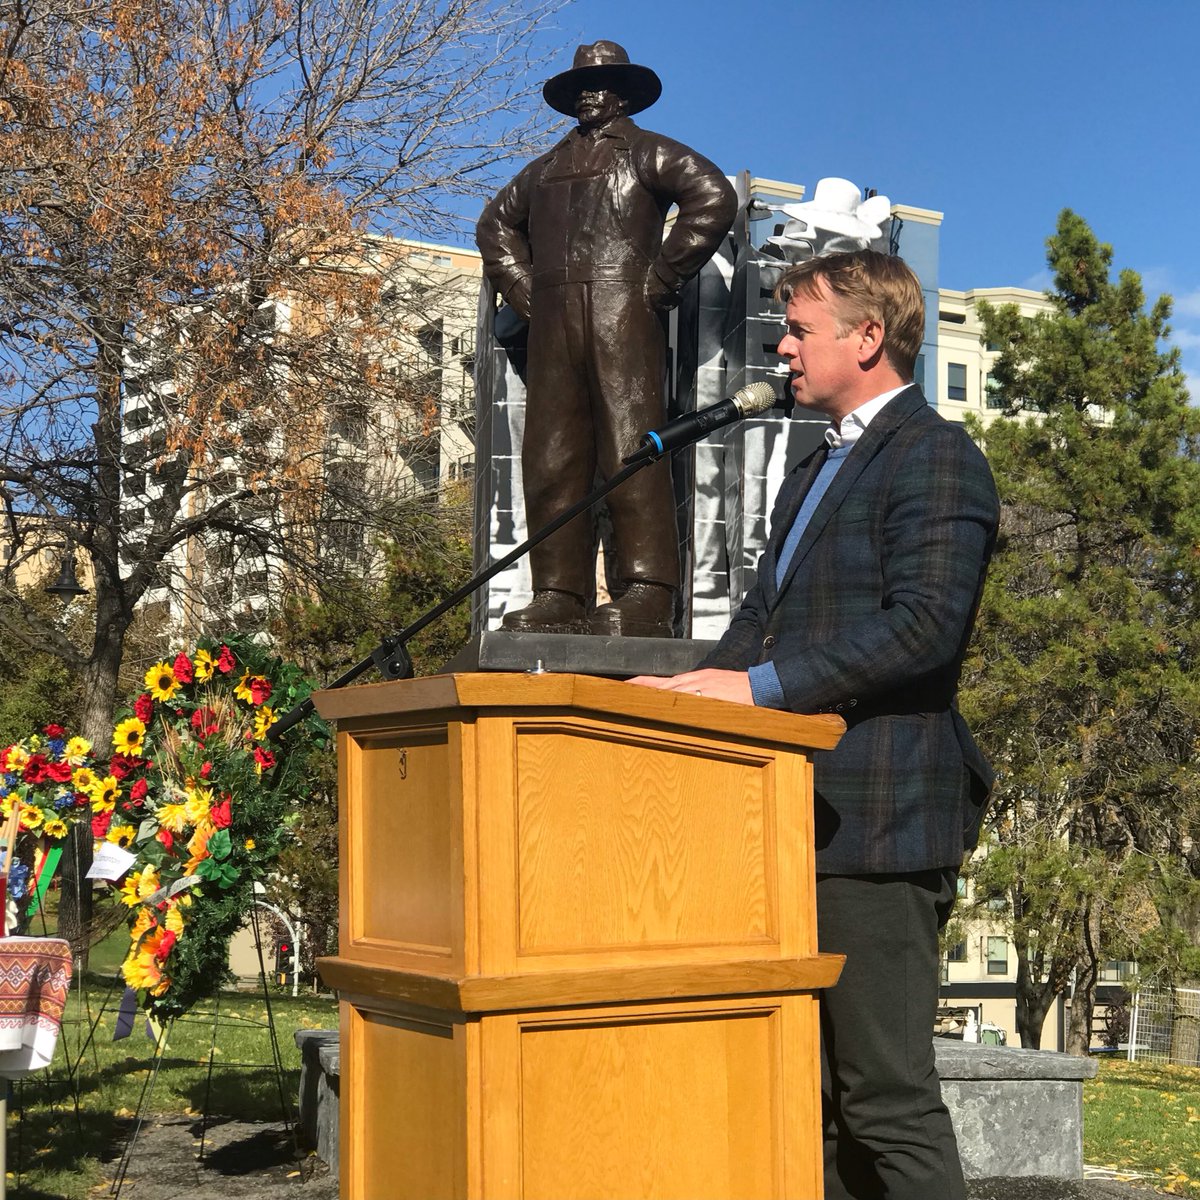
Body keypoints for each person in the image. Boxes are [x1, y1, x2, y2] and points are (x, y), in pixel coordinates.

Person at [629, 249, 999, 1199]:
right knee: (814, 1102)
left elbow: (923, 628)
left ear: (867, 337)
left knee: (884, 1098)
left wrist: (751, 691)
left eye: (799, 329)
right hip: (787, 817)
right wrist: (679, 686)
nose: (783, 349)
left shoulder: (936, 455)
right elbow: (765, 618)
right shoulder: (813, 463)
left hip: (878, 823)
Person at [476, 41, 737, 637]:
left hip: (624, 312)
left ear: (623, 93)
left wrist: (662, 277)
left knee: (631, 445)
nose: (589, 96)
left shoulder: (648, 153)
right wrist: (522, 290)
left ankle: (647, 590)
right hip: (553, 319)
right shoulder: (543, 167)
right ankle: (558, 594)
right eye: (579, 89)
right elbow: (494, 225)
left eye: (601, 85)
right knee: (551, 454)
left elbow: (713, 195)